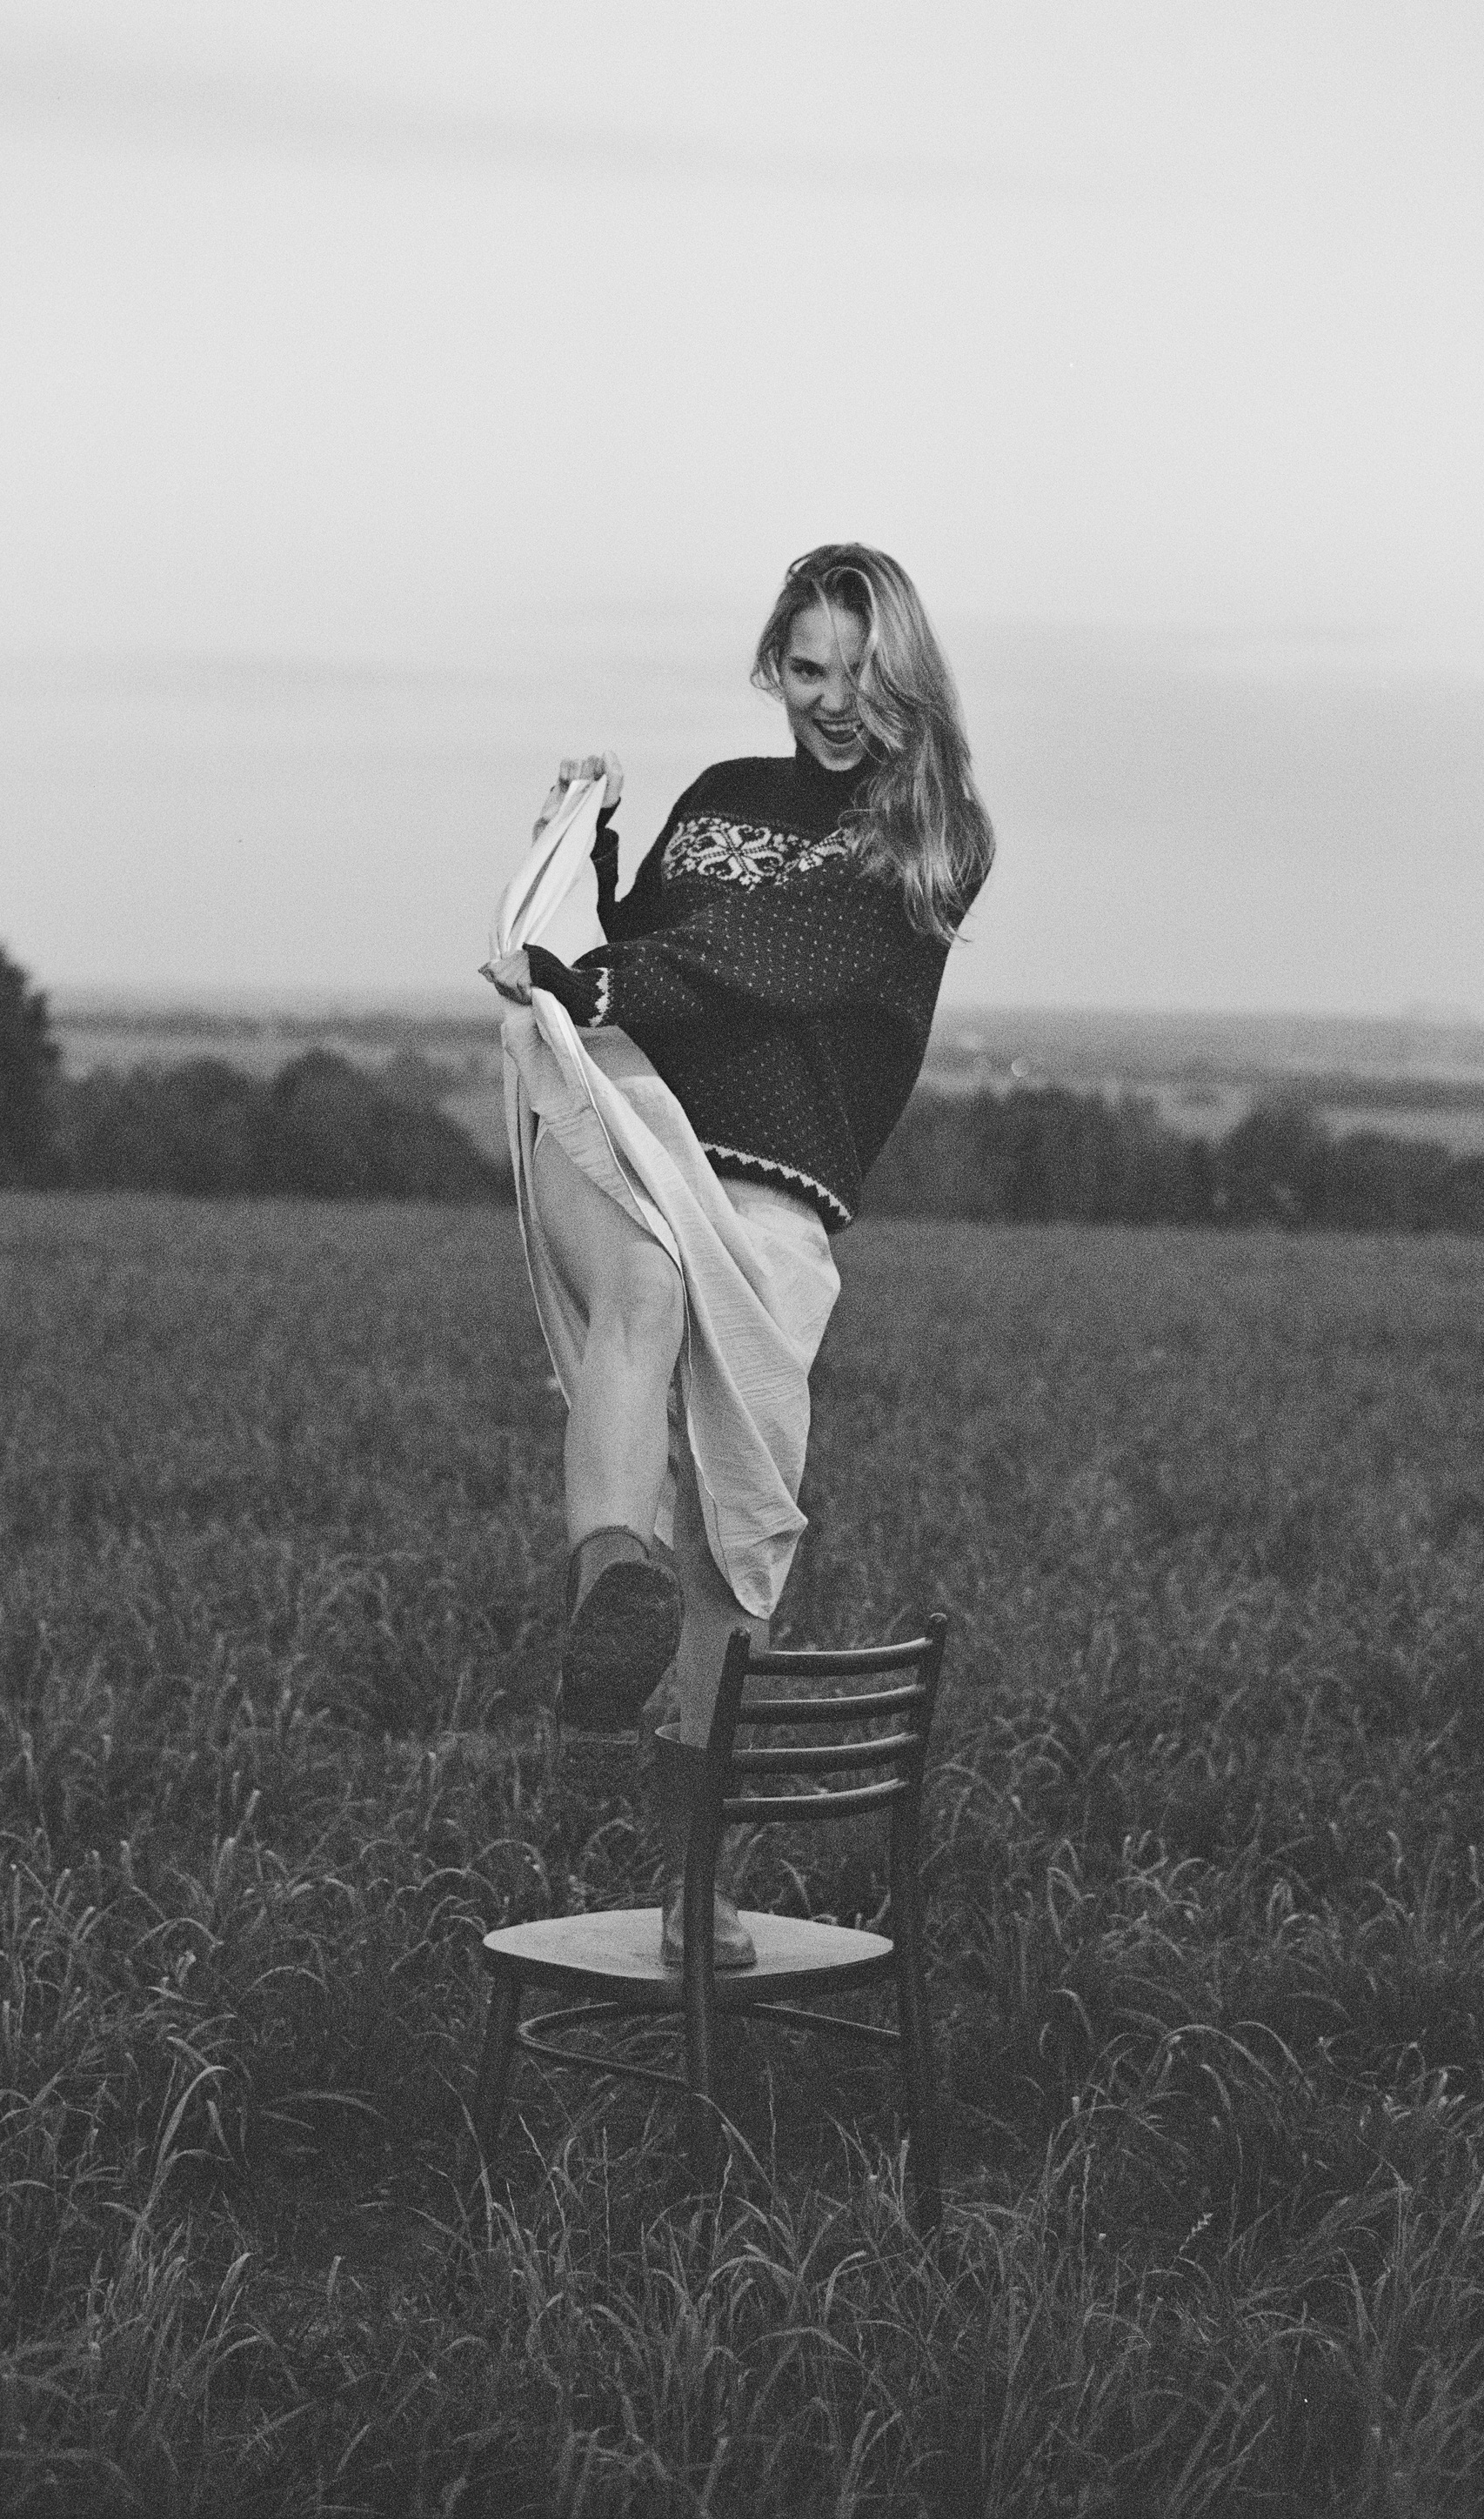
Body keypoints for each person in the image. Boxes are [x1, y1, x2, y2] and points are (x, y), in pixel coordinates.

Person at [484, 543, 993, 1963]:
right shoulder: (719, 794)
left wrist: (606, 973)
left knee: (731, 1548)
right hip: (631, 1122)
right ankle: (606, 1595)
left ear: (905, 677)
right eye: (806, 668)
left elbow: (773, 960)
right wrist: (585, 858)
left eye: (858, 674)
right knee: (639, 1296)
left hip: (776, 1195)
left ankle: (691, 1884)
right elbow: (642, 943)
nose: (829, 701)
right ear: (775, 663)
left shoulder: (933, 835)